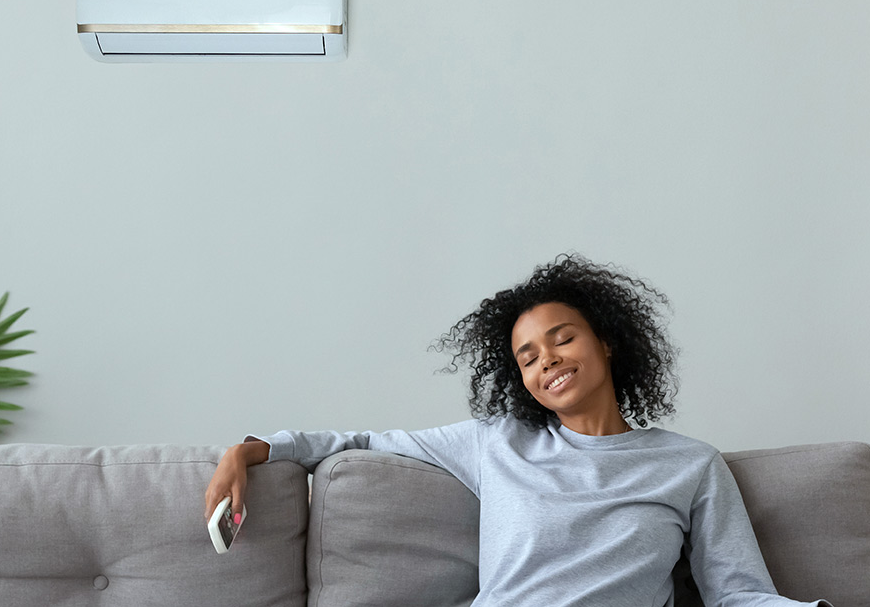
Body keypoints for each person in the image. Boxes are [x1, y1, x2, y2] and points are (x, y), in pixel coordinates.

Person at [205, 254, 832, 607]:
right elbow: (362, 442)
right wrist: (248, 451)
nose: (547, 360)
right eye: (528, 358)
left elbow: (738, 593)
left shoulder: (691, 465)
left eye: (563, 339)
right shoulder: (497, 442)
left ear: (607, 342)